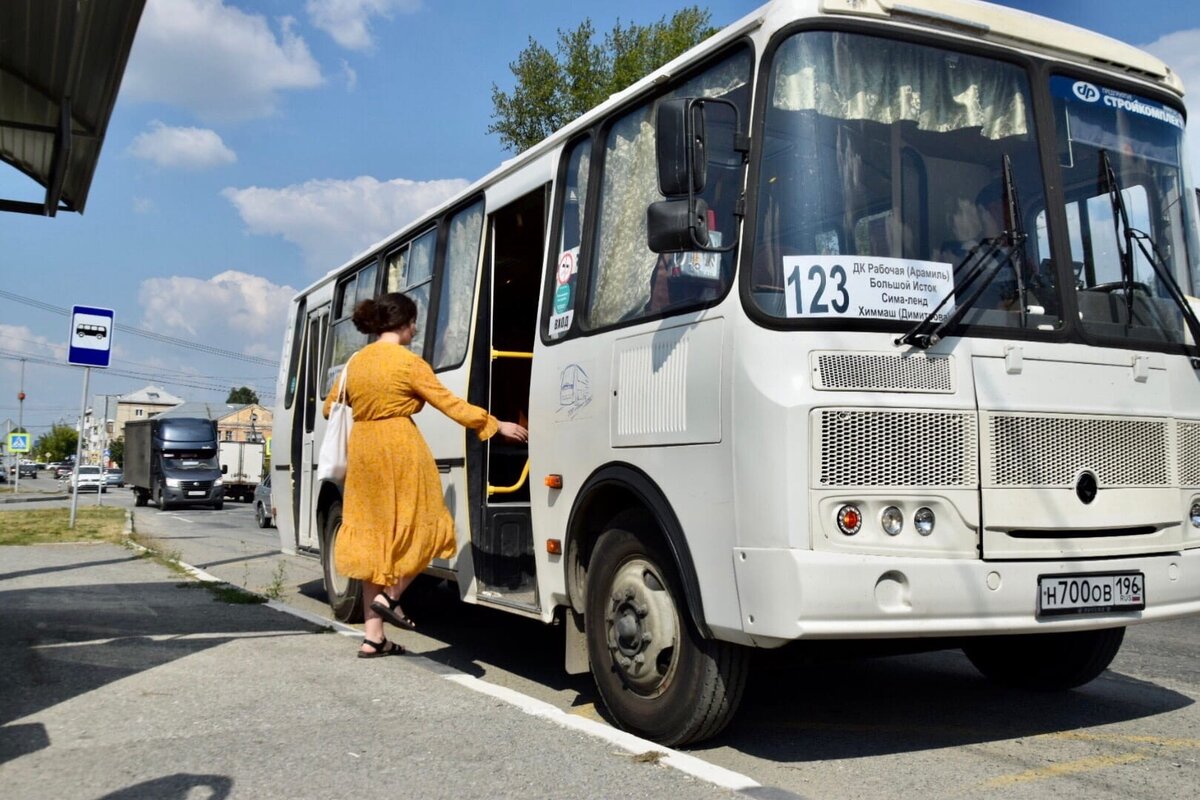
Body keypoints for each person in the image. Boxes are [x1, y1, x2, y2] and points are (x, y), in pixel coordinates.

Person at [323, 292, 528, 658]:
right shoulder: (408, 363)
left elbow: (329, 408)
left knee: (375, 543)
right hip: (400, 448)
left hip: (364, 451)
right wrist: (495, 425)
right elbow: (450, 405)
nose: (415, 328)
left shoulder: (356, 363)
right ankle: (392, 595)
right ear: (405, 323)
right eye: (414, 322)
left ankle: (374, 638)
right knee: (431, 528)